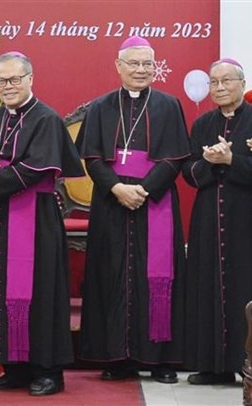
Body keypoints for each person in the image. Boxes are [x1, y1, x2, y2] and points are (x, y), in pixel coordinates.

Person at [0, 51, 84, 396]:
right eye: (1, 81)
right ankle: (14, 366)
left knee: (42, 290)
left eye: (15, 79)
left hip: (36, 217)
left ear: (30, 79)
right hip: (2, 215)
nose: (8, 86)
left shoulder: (47, 119)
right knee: (3, 288)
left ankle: (48, 371)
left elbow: (35, 168)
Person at [75, 36, 191, 384]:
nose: (141, 70)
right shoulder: (100, 107)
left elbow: (174, 158)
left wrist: (143, 190)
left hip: (154, 202)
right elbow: (91, 158)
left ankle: (161, 360)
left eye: (147, 64)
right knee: (110, 276)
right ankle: (117, 357)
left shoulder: (169, 105)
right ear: (119, 66)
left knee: (158, 279)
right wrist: (116, 188)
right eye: (134, 63)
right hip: (111, 203)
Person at [182, 58, 252, 385]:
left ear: (242, 83)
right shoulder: (202, 125)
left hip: (247, 221)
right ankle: (214, 366)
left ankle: (249, 365)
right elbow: (189, 173)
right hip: (209, 220)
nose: (221, 87)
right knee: (208, 285)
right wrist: (210, 163)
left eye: (227, 81)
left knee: (246, 286)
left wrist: (232, 160)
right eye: (214, 82)